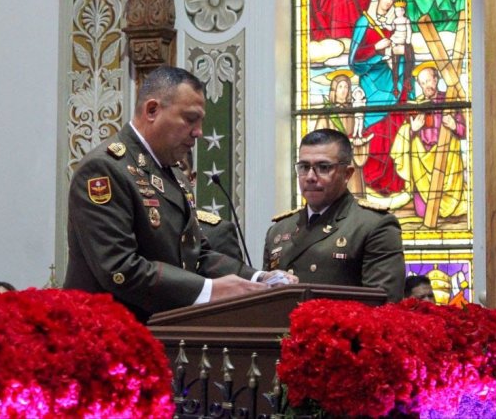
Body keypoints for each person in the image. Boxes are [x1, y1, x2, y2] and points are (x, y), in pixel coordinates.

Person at [64, 66, 296, 321]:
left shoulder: (170, 174)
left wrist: (257, 278)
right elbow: (119, 268)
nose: (198, 132)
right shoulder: (105, 168)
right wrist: (210, 290)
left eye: (200, 121)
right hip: (108, 335)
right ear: (152, 110)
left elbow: (199, 255)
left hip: (160, 330)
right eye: (190, 119)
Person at [263, 128, 405, 302]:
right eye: (304, 167)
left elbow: (383, 303)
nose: (310, 177)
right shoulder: (279, 229)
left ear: (347, 174)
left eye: (323, 167)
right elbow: (266, 300)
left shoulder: (373, 225)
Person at [349, 0, 410, 195]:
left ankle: (391, 182)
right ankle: (371, 181)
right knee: (374, 130)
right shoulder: (363, 24)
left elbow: (401, 50)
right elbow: (354, 62)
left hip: (391, 82)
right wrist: (376, 49)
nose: (390, 2)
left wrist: (399, 52)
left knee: (391, 128)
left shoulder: (391, 25)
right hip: (372, 85)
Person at [390, 64, 467, 220]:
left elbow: (467, 131)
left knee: (456, 208)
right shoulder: (417, 105)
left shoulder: (450, 100)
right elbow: (403, 136)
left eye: (428, 81)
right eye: (422, 83)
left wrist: (454, 125)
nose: (426, 86)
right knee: (422, 211)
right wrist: (412, 129)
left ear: (436, 79)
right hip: (422, 167)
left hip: (447, 162)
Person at [178, 152, 245, 262]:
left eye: (180, 168)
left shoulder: (219, 233)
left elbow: (234, 277)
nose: (175, 175)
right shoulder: (145, 225)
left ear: (192, 179)